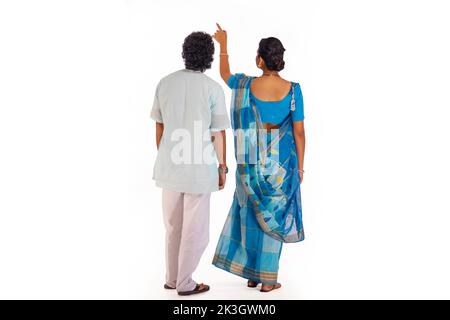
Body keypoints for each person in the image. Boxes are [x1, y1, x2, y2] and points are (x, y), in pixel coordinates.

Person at [211, 24, 306, 293]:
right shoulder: (293, 90)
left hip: (249, 162)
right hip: (280, 166)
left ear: (260, 59)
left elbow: (225, 74)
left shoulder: (245, 85)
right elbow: (299, 132)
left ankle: (252, 275)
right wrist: (300, 167)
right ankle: (266, 279)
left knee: (249, 212)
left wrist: (224, 44)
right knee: (274, 215)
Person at [150, 31, 230, 296]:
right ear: (208, 56)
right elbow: (218, 133)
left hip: (169, 167)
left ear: (185, 52)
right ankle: (185, 284)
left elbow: (159, 127)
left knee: (172, 226)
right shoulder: (212, 89)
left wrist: (165, 156)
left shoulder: (165, 83)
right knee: (194, 230)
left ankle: (172, 278)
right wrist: (222, 167)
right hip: (199, 169)